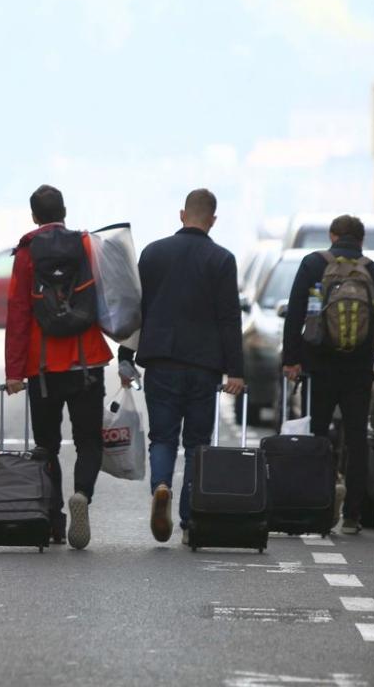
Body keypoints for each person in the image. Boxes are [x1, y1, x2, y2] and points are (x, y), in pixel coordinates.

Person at [118, 189, 245, 545]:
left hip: (161, 360)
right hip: (204, 365)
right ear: (213, 220)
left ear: (181, 214)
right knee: (197, 444)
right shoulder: (222, 259)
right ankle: (190, 518)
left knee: (162, 437)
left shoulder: (153, 253)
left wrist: (126, 356)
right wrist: (236, 370)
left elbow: (136, 309)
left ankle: (161, 487)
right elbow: (229, 318)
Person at [5, 185, 112, 550]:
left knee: (46, 446)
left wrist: (14, 371)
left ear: (34, 216)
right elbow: (109, 297)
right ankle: (82, 493)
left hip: (42, 367)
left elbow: (18, 312)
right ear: (64, 212)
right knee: (89, 441)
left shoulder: (26, 252)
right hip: (87, 360)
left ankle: (52, 520)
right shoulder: (86, 245)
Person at [281, 214, 374, 535]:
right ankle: (352, 516)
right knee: (356, 439)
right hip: (359, 370)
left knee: (318, 435)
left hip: (318, 365)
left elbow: (294, 314)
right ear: (361, 240)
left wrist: (291, 360)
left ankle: (318, 507)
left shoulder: (312, 265)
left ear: (332, 236)